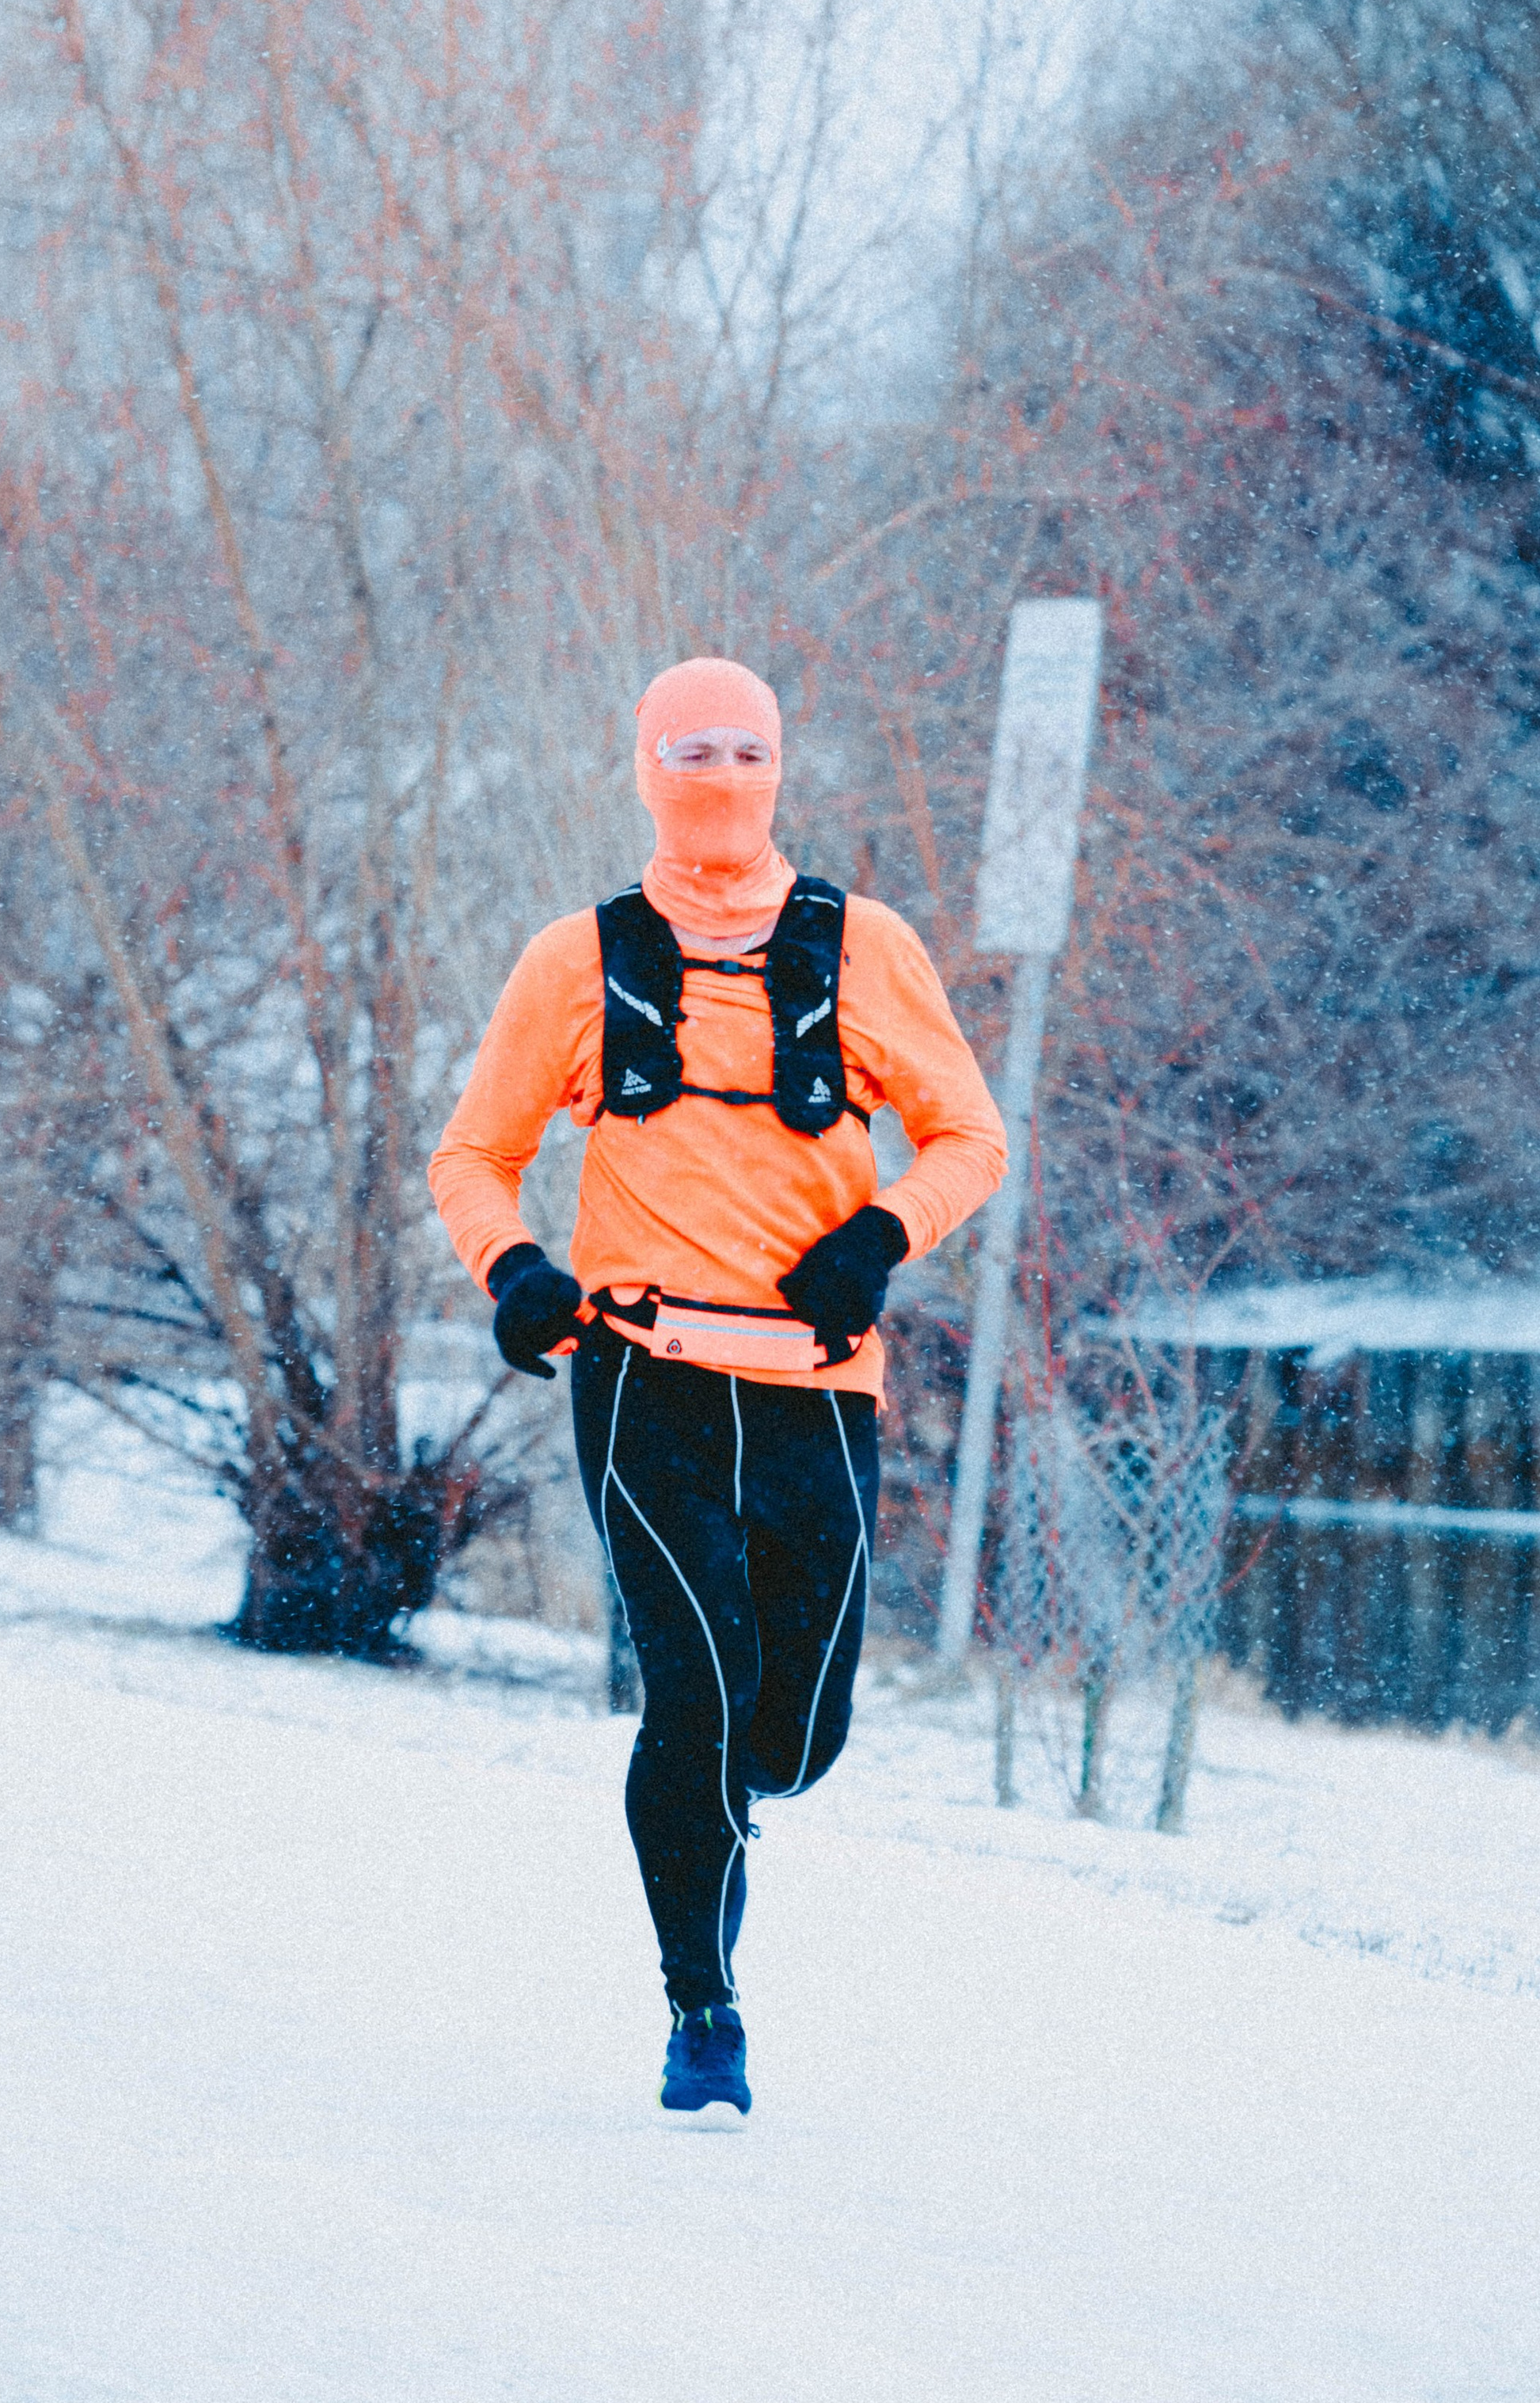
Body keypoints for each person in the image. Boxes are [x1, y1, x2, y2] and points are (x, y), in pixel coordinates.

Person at [428, 656, 1006, 2121]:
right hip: (646, 1383)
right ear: (647, 768)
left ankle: (722, 1814)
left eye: (748, 750)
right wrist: (518, 1270)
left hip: (817, 1385)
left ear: (783, 766)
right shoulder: (578, 960)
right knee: (693, 1691)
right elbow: (474, 1154)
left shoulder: (865, 946)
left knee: (792, 1734)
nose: (722, 776)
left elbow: (970, 1138)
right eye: (692, 751)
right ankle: (704, 2003)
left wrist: (880, 1235)